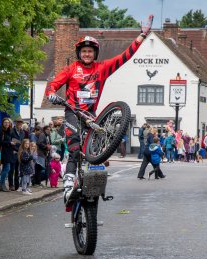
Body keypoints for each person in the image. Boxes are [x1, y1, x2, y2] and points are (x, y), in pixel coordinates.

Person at [45, 15, 153, 204]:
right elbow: (52, 85)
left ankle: (91, 181)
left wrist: (141, 36)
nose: (87, 54)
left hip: (91, 115)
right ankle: (68, 185)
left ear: (95, 53)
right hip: (72, 112)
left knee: (93, 151)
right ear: (79, 53)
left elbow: (125, 57)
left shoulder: (102, 68)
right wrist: (51, 93)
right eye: (84, 51)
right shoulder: (71, 69)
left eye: (90, 51)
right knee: (74, 148)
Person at [0, 118, 14, 192]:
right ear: (2, 123)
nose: (7, 124)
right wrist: (9, 143)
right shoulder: (0, 131)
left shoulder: (9, 131)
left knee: (6, 168)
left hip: (9, 152)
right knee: (7, 168)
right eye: (5, 122)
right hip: (3, 152)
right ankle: (2, 184)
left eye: (8, 122)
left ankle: (2, 185)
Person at [9, 116, 25, 191]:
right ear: (15, 123)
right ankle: (11, 185)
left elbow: (22, 142)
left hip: (19, 152)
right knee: (11, 170)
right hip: (12, 152)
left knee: (17, 170)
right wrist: (14, 149)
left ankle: (17, 185)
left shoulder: (23, 132)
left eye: (20, 122)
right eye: (18, 122)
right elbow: (10, 141)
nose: (19, 123)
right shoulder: (11, 131)